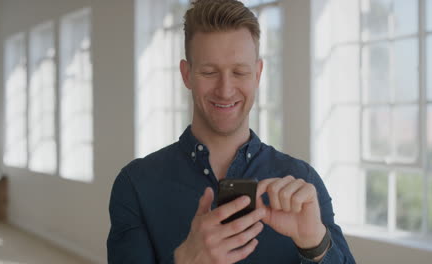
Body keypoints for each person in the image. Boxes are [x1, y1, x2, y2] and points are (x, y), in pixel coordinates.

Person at [107, 0, 355, 263]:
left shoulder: (302, 183)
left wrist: (315, 245)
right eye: (209, 72)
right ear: (186, 74)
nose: (225, 90)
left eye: (239, 71)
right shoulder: (135, 185)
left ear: (257, 74)